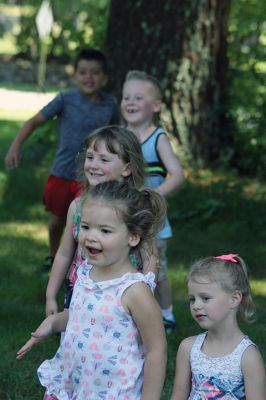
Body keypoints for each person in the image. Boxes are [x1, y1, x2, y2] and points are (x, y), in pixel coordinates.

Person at [17, 180, 167, 400]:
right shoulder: (85, 273)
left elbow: (157, 351)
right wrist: (55, 322)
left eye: (105, 230)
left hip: (111, 391)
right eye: (86, 227)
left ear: (133, 236)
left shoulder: (135, 291)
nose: (91, 236)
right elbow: (85, 317)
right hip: (76, 381)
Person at [4, 48, 119, 271]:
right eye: (83, 72)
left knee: (86, 221)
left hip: (92, 176)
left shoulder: (110, 105)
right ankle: (53, 256)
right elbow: (33, 122)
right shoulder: (65, 99)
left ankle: (82, 265)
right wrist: (15, 146)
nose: (89, 77)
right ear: (74, 76)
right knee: (57, 220)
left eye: (95, 73)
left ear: (104, 78)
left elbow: (119, 134)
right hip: (62, 173)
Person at [45, 125, 157, 317]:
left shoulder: (135, 206)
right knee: (76, 339)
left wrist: (145, 290)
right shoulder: (78, 206)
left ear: (127, 168)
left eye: (104, 159)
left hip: (122, 292)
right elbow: (64, 254)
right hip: (81, 289)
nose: (93, 165)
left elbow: (151, 257)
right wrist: (50, 295)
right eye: (90, 157)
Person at [121, 70, 184, 333]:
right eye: (126, 97)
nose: (130, 102)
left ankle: (166, 314)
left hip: (153, 221)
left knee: (156, 268)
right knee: (125, 266)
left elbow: (178, 175)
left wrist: (154, 195)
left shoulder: (157, 138)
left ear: (155, 106)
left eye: (138, 97)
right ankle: (128, 313)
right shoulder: (119, 136)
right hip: (123, 217)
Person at [171, 253, 266, 400]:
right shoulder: (188, 348)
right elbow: (178, 395)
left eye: (205, 298)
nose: (196, 305)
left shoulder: (248, 356)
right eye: (192, 299)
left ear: (234, 299)